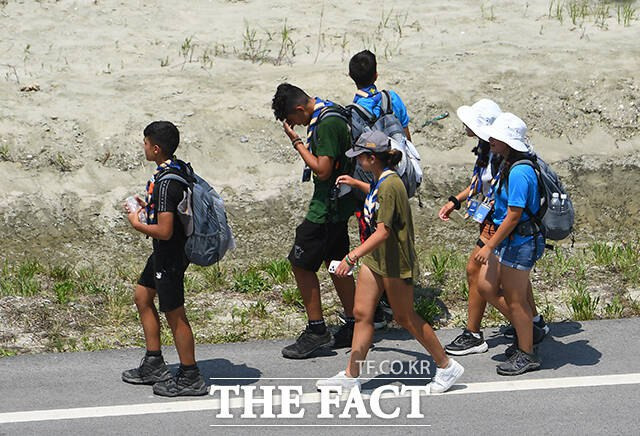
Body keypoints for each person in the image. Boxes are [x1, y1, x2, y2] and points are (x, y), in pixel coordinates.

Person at [317, 131, 464, 393]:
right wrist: (357, 183)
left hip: (394, 260)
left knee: (404, 316)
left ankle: (446, 366)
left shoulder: (391, 185)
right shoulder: (380, 180)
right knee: (362, 315)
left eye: (360, 157)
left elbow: (384, 230)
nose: (358, 161)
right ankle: (351, 376)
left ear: (372, 158)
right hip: (377, 258)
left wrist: (351, 257)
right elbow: (376, 196)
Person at [440, 100, 548, 356]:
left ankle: (484, 333)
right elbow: (481, 185)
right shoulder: (489, 150)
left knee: (483, 277)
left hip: (499, 225)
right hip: (496, 221)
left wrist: (489, 244)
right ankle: (531, 324)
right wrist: (456, 200)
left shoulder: (501, 156)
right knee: (513, 285)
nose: (465, 125)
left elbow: (513, 211)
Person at [121, 121, 207, 396]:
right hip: (163, 253)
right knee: (142, 296)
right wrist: (149, 207)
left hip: (170, 254)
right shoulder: (175, 169)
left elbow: (165, 231)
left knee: (175, 313)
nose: (143, 147)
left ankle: (190, 376)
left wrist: (137, 223)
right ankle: (154, 363)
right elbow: (170, 214)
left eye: (145, 143)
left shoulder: (167, 183)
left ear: (155, 148)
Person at [272, 83, 357, 359]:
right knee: (336, 264)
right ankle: (357, 323)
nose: (296, 124)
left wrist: (296, 143)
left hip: (325, 209)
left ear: (299, 109)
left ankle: (317, 329)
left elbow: (322, 170)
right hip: (338, 205)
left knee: (300, 264)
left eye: (293, 119)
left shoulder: (327, 123)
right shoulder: (328, 111)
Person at [474, 113, 546, 375]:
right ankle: (527, 329)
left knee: (517, 301)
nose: (490, 139)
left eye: (497, 136)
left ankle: (527, 353)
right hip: (510, 241)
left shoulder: (520, 172)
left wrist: (490, 245)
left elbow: (514, 215)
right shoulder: (508, 163)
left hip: (519, 242)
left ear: (509, 141)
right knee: (486, 285)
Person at [348, 49, 413, 329]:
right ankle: (390, 292)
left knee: (375, 230)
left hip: (373, 180)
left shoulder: (352, 111)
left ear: (352, 78)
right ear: (376, 74)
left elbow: (356, 150)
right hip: (397, 170)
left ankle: (383, 298)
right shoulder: (391, 98)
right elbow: (407, 137)